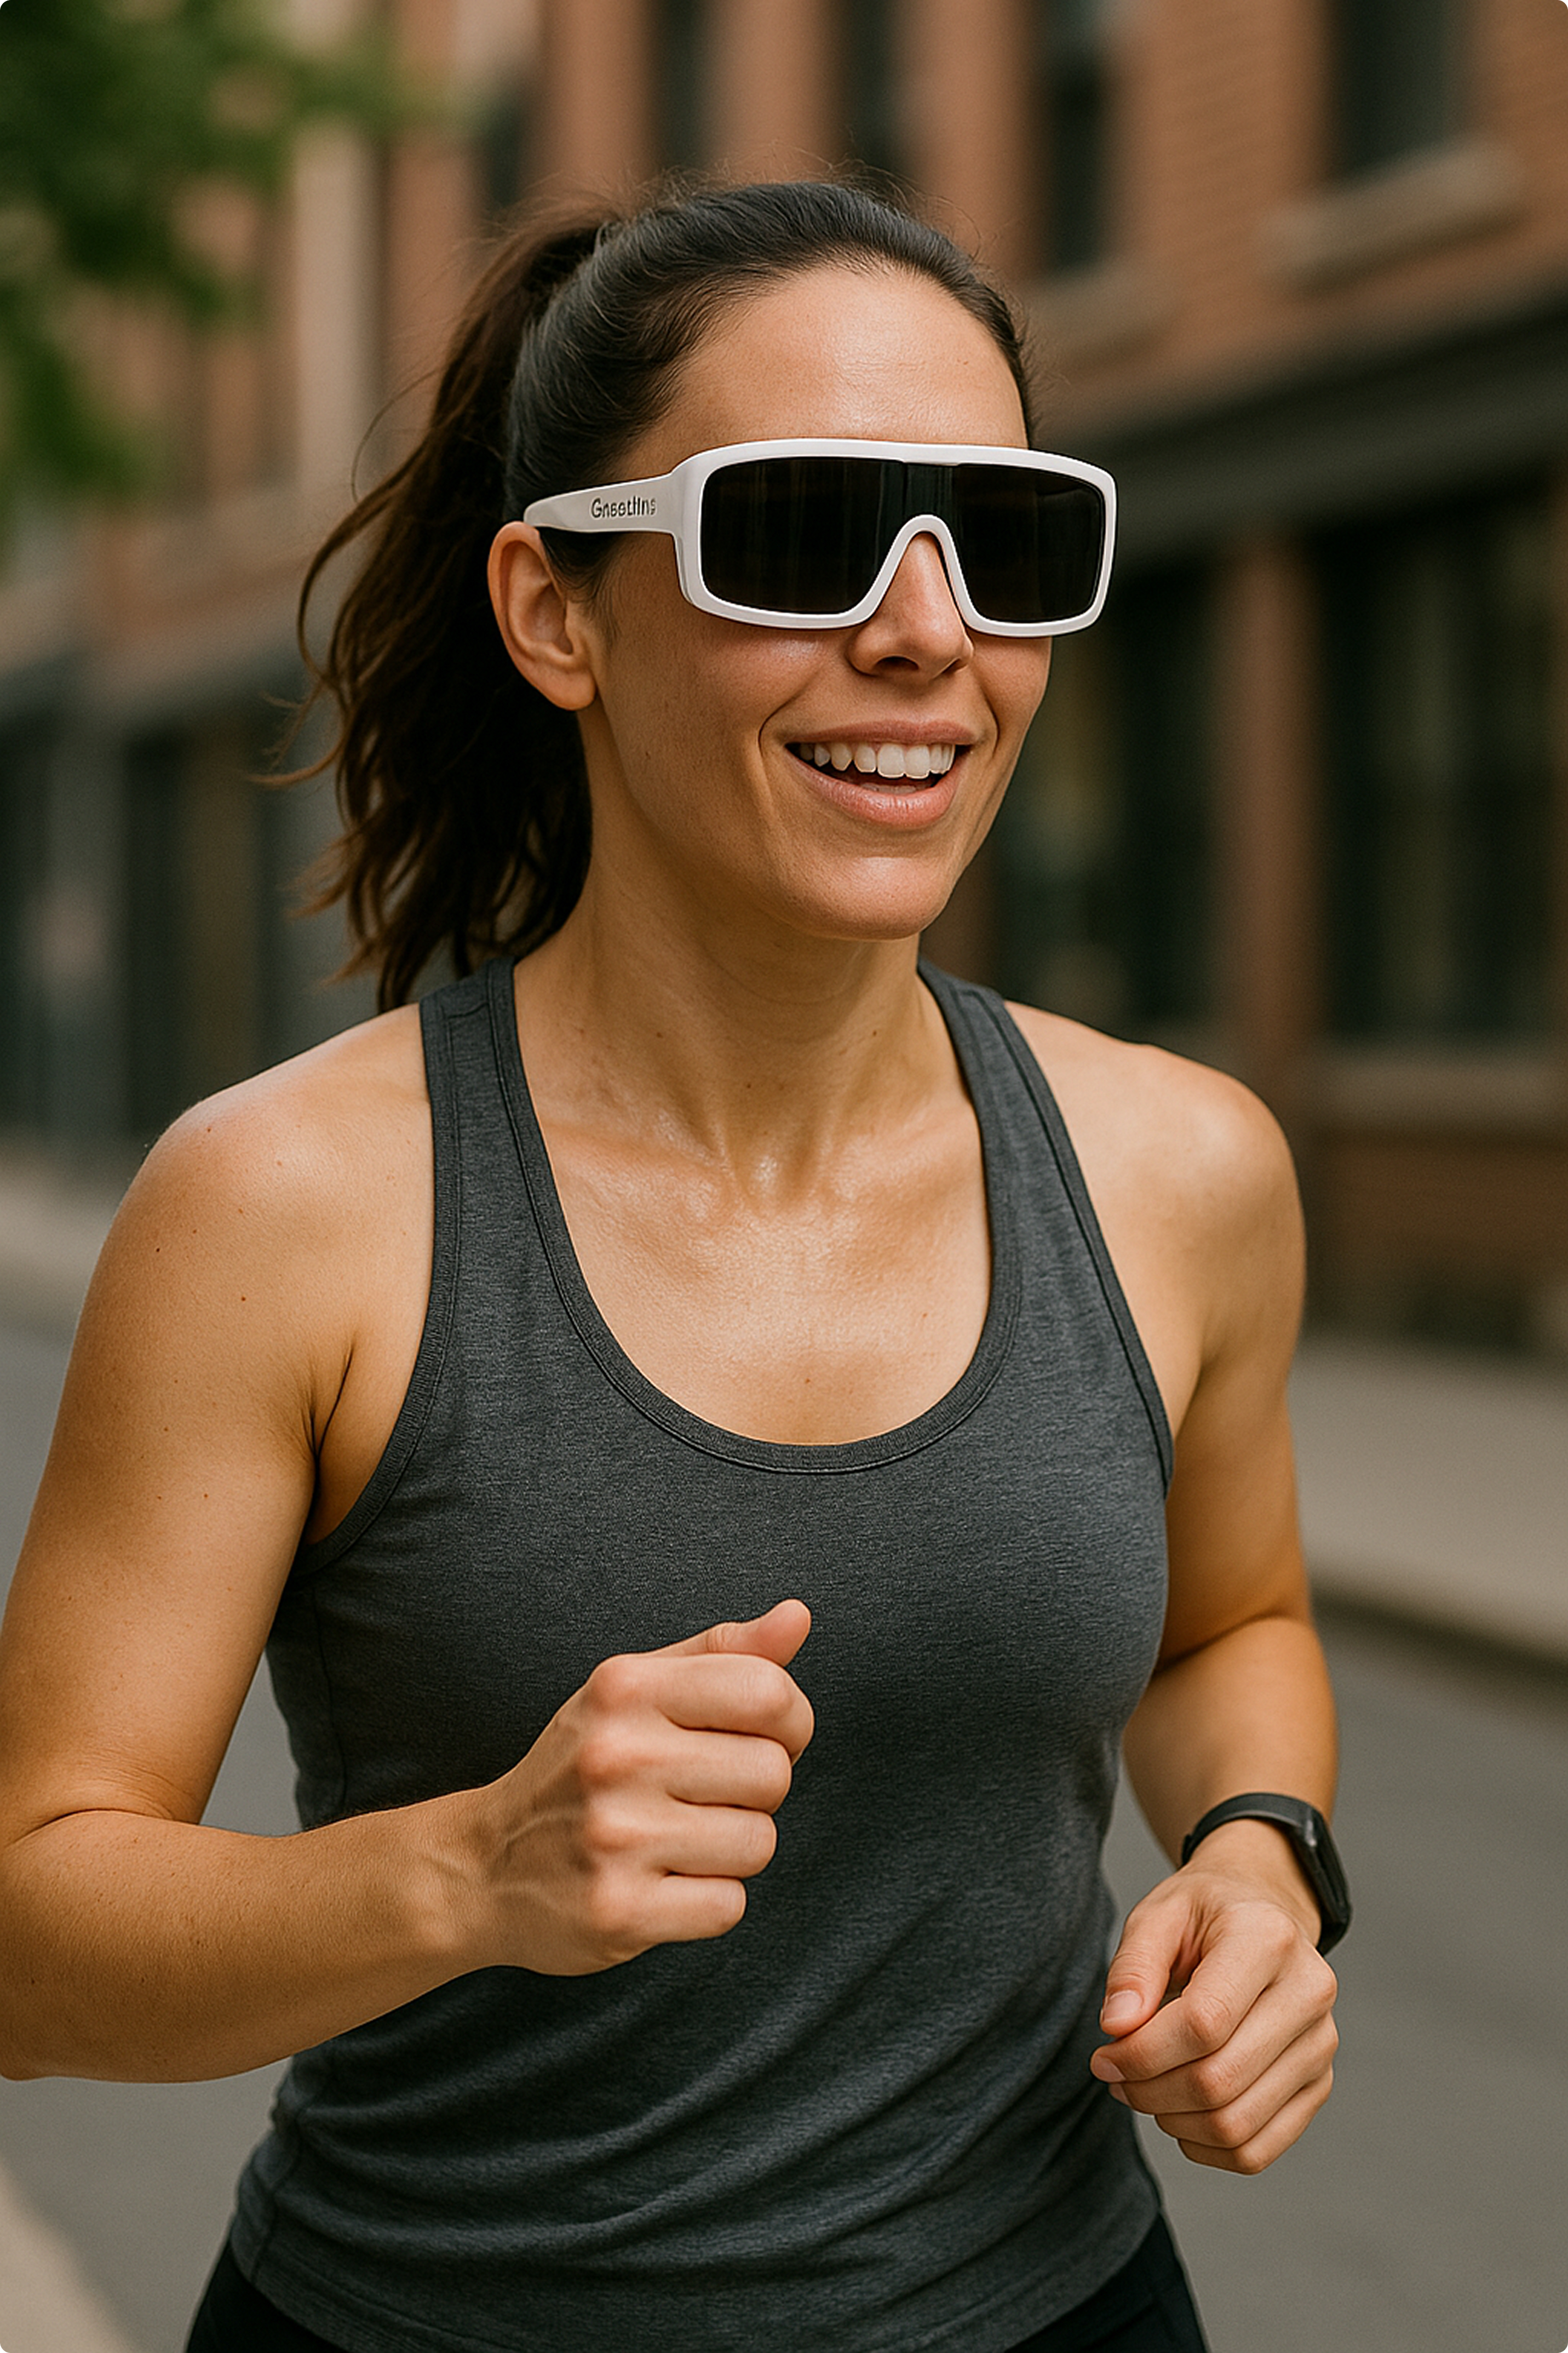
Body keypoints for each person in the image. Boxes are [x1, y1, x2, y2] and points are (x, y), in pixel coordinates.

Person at [0, 181, 1346, 2353]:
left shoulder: (1179, 1166)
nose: (925, 637)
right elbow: (24, 1941)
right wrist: (467, 1872)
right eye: (805, 531)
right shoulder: (285, 1209)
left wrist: (1262, 1860)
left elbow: (1236, 1622)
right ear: (558, 611)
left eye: (998, 544)